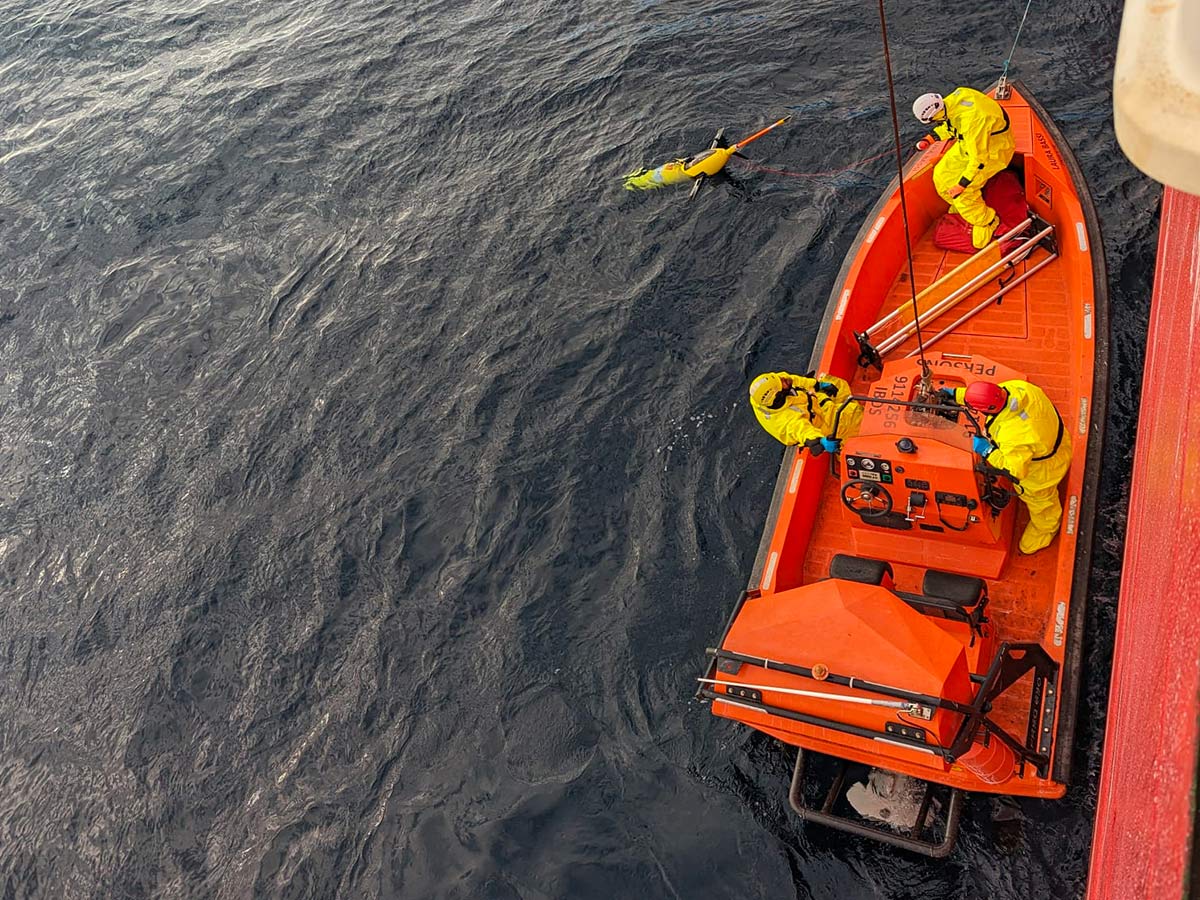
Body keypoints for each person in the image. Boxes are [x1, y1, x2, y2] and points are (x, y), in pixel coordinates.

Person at [939, 380, 1072, 554]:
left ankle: (1046, 528)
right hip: (1057, 441)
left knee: (1040, 500)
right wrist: (956, 394)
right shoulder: (1017, 387)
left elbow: (1013, 471)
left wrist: (987, 450)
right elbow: (987, 395)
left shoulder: (1014, 435)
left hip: (1043, 470)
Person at [912, 87, 1016, 249]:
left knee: (964, 193)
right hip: (968, 145)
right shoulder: (952, 102)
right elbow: (952, 126)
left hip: (994, 151)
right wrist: (930, 139)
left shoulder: (972, 122)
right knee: (941, 174)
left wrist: (961, 185)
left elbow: (979, 159)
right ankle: (965, 208)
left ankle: (987, 221)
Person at [749, 372, 862, 452]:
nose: (784, 379)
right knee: (856, 419)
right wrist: (820, 441)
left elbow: (793, 380)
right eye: (782, 382)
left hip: (813, 402)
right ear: (779, 396)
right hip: (820, 424)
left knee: (838, 385)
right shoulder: (787, 422)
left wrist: (816, 384)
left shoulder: (772, 385)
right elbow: (803, 431)